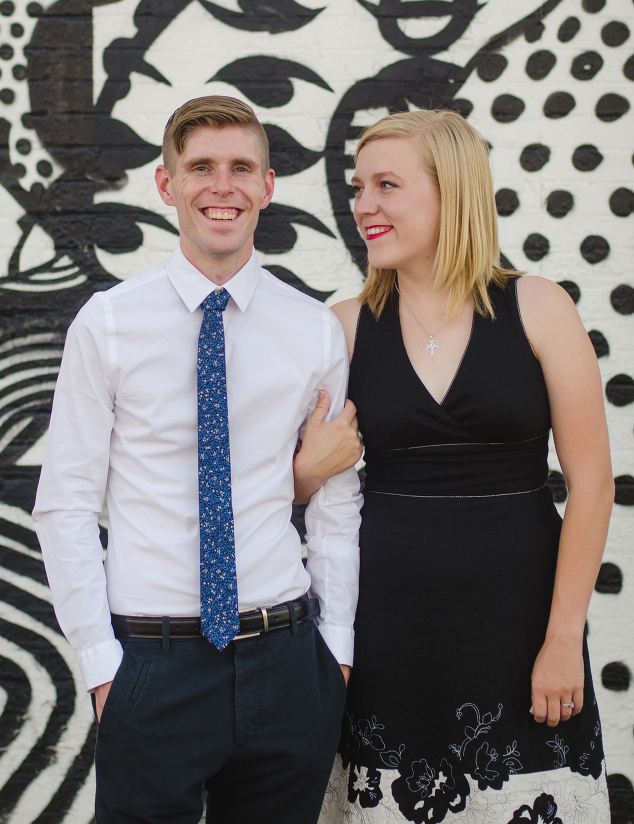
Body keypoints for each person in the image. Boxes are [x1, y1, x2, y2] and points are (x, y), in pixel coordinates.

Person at [33, 95, 364, 824]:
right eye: (202, 167)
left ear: (268, 186)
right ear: (166, 183)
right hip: (153, 665)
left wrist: (334, 654)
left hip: (286, 662)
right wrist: (101, 666)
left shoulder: (311, 329)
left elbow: (337, 506)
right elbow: (64, 502)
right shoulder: (111, 324)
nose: (223, 186)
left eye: (242, 167)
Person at [303, 109, 614, 823]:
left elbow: (593, 484)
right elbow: (296, 482)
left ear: (454, 193)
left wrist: (564, 637)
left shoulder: (539, 306)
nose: (363, 205)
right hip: (384, 641)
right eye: (358, 186)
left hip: (522, 635)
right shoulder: (342, 326)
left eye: (387, 185)